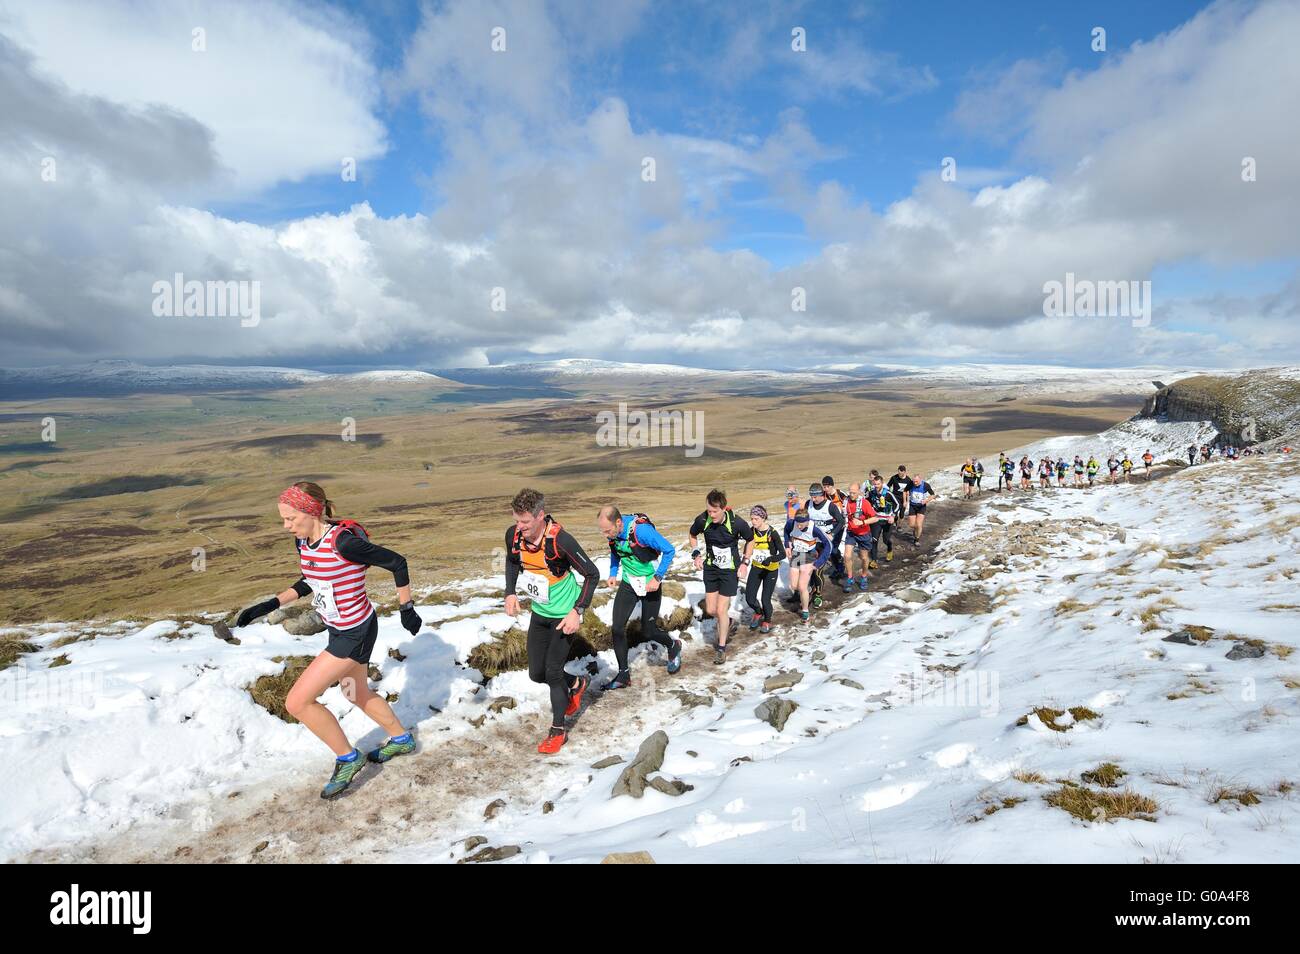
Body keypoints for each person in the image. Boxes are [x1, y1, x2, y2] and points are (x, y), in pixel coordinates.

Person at [234, 481, 424, 799]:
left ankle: (347, 758)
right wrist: (270, 605)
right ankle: (401, 739)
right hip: (340, 629)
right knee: (355, 692)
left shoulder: (345, 543)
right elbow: (311, 579)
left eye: (290, 518)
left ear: (311, 512)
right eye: (283, 519)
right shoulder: (304, 542)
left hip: (356, 633)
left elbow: (397, 562)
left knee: (296, 702)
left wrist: (406, 608)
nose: (286, 526)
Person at [504, 488, 601, 755]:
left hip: (564, 615)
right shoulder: (513, 536)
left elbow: (592, 574)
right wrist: (510, 592)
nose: (519, 527)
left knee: (553, 671)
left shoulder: (561, 541)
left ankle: (558, 731)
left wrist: (577, 611)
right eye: (516, 520)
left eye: (525, 522)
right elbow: (512, 562)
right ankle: (576, 684)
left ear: (540, 516)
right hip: (541, 612)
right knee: (537, 673)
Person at [597, 505, 683, 691]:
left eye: (608, 530)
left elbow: (669, 550)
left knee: (648, 631)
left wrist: (658, 577)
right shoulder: (614, 534)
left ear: (618, 522)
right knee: (618, 628)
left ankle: (673, 645)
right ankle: (623, 675)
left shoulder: (641, 531)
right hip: (629, 584)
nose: (606, 535)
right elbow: (615, 551)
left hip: (650, 584)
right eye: (603, 531)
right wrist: (613, 573)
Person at [688, 489, 754, 665]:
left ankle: (721, 648)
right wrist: (696, 554)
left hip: (729, 570)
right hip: (711, 568)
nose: (711, 514)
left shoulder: (737, 522)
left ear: (724, 508)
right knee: (711, 610)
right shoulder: (703, 520)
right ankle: (728, 621)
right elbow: (692, 534)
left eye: (715, 511)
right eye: (709, 510)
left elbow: (751, 539)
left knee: (721, 610)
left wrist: (745, 562)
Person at [742, 505, 786, 634]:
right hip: (756, 568)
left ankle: (767, 620)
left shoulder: (772, 533)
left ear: (763, 518)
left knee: (765, 599)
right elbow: (747, 550)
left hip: (770, 569)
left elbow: (782, 554)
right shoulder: (751, 532)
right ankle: (758, 612)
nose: (753, 521)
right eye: (752, 519)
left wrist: (771, 559)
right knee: (749, 598)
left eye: (756, 519)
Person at [783, 507, 831, 622]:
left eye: (801, 524)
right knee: (794, 586)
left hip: (809, 556)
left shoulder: (814, 529)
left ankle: (805, 611)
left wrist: (819, 562)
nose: (798, 526)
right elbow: (786, 532)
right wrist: (787, 545)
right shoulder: (791, 523)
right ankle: (808, 589)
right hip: (796, 555)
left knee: (802, 587)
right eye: (797, 523)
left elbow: (828, 545)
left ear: (807, 521)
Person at [841, 482, 885, 592]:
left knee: (864, 557)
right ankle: (850, 578)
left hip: (864, 533)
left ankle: (864, 576)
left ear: (859, 492)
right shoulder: (846, 501)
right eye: (850, 492)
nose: (851, 495)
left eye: (854, 493)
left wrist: (862, 522)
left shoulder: (864, 503)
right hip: (851, 532)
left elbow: (875, 518)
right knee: (847, 556)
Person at [805, 482, 846, 582]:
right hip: (813, 538)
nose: (813, 499)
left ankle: (839, 567)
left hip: (826, 537)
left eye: (815, 497)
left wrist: (832, 534)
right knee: (812, 561)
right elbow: (804, 519)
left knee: (833, 553)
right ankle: (811, 584)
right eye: (811, 497)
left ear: (821, 494)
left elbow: (841, 521)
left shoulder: (830, 506)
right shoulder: (808, 504)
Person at [867, 474, 900, 564]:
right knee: (874, 540)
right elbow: (866, 503)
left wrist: (893, 516)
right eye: (875, 484)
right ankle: (874, 560)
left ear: (882, 483)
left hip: (887, 521)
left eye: (878, 484)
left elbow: (897, 504)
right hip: (876, 520)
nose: (876, 486)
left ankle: (889, 549)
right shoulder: (871, 493)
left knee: (886, 540)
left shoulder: (888, 494)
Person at [907, 473, 936, 544]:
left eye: (916, 481)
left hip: (921, 507)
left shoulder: (926, 485)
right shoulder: (911, 484)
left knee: (919, 525)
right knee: (912, 525)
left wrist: (926, 500)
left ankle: (917, 539)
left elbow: (933, 495)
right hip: (912, 506)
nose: (915, 483)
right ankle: (915, 529)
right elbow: (905, 490)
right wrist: (906, 499)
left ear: (920, 480)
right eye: (914, 481)